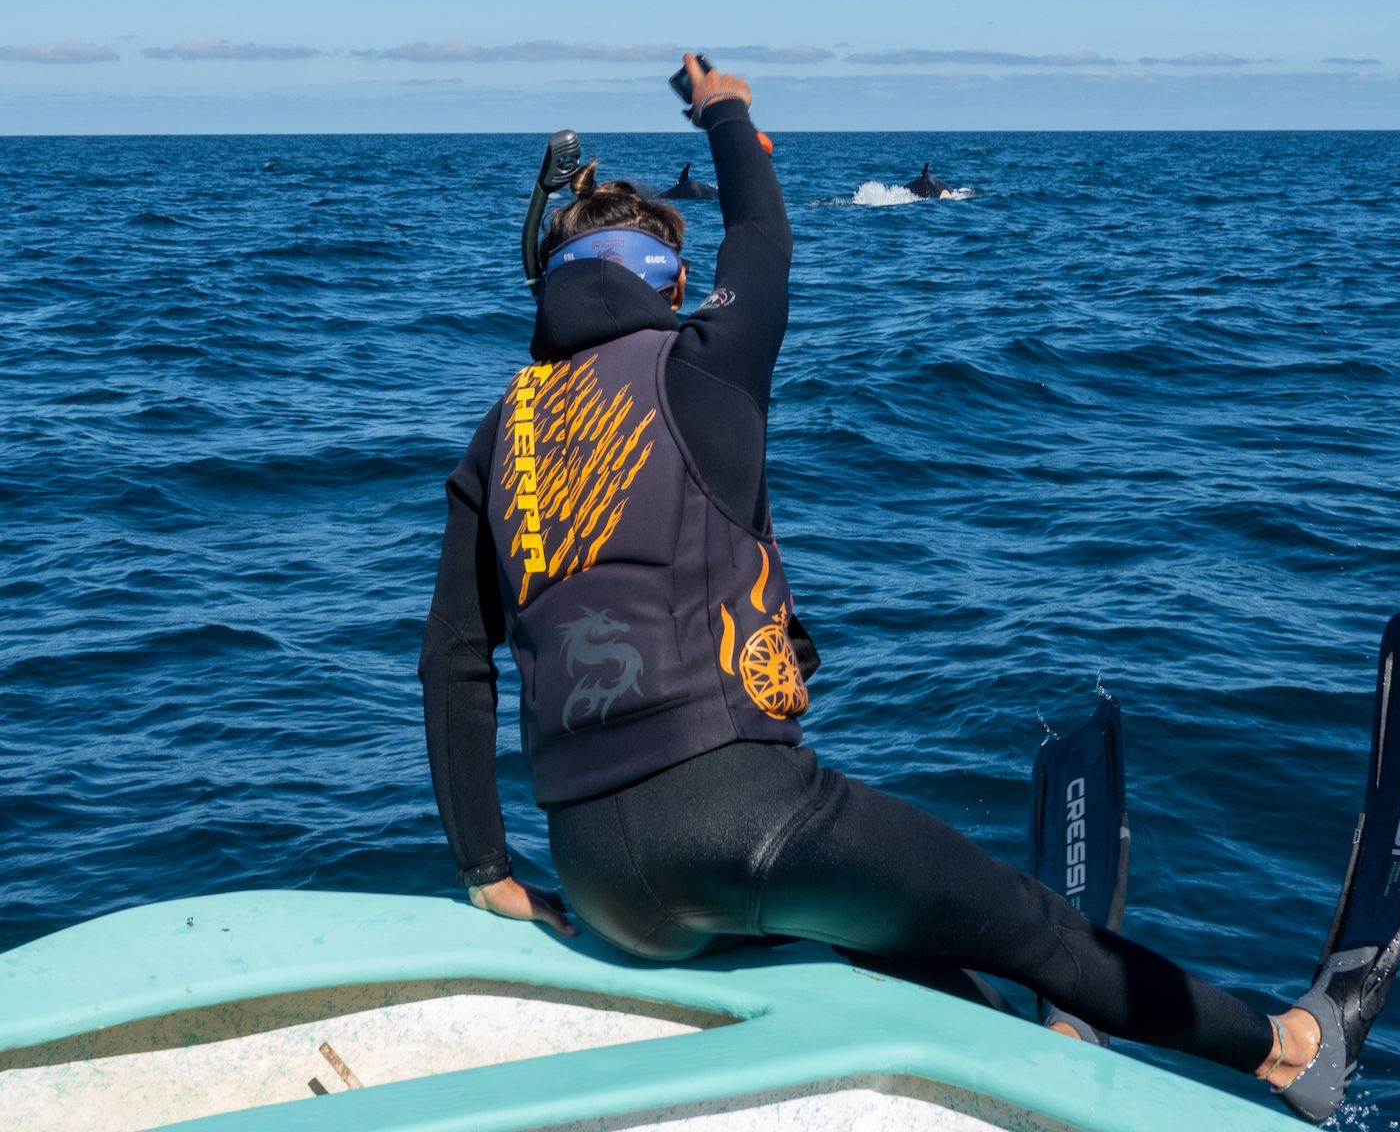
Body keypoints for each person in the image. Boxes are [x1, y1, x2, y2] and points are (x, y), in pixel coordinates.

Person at [418, 54, 1324, 1096]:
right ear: (668, 281)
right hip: (739, 814)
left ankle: (1032, 1060)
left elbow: (451, 660)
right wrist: (725, 110)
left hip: (600, 874)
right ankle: (1282, 1046)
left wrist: (487, 867)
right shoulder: (701, 362)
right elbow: (761, 232)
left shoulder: (498, 433)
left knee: (901, 948)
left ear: (551, 279)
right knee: (1029, 923)